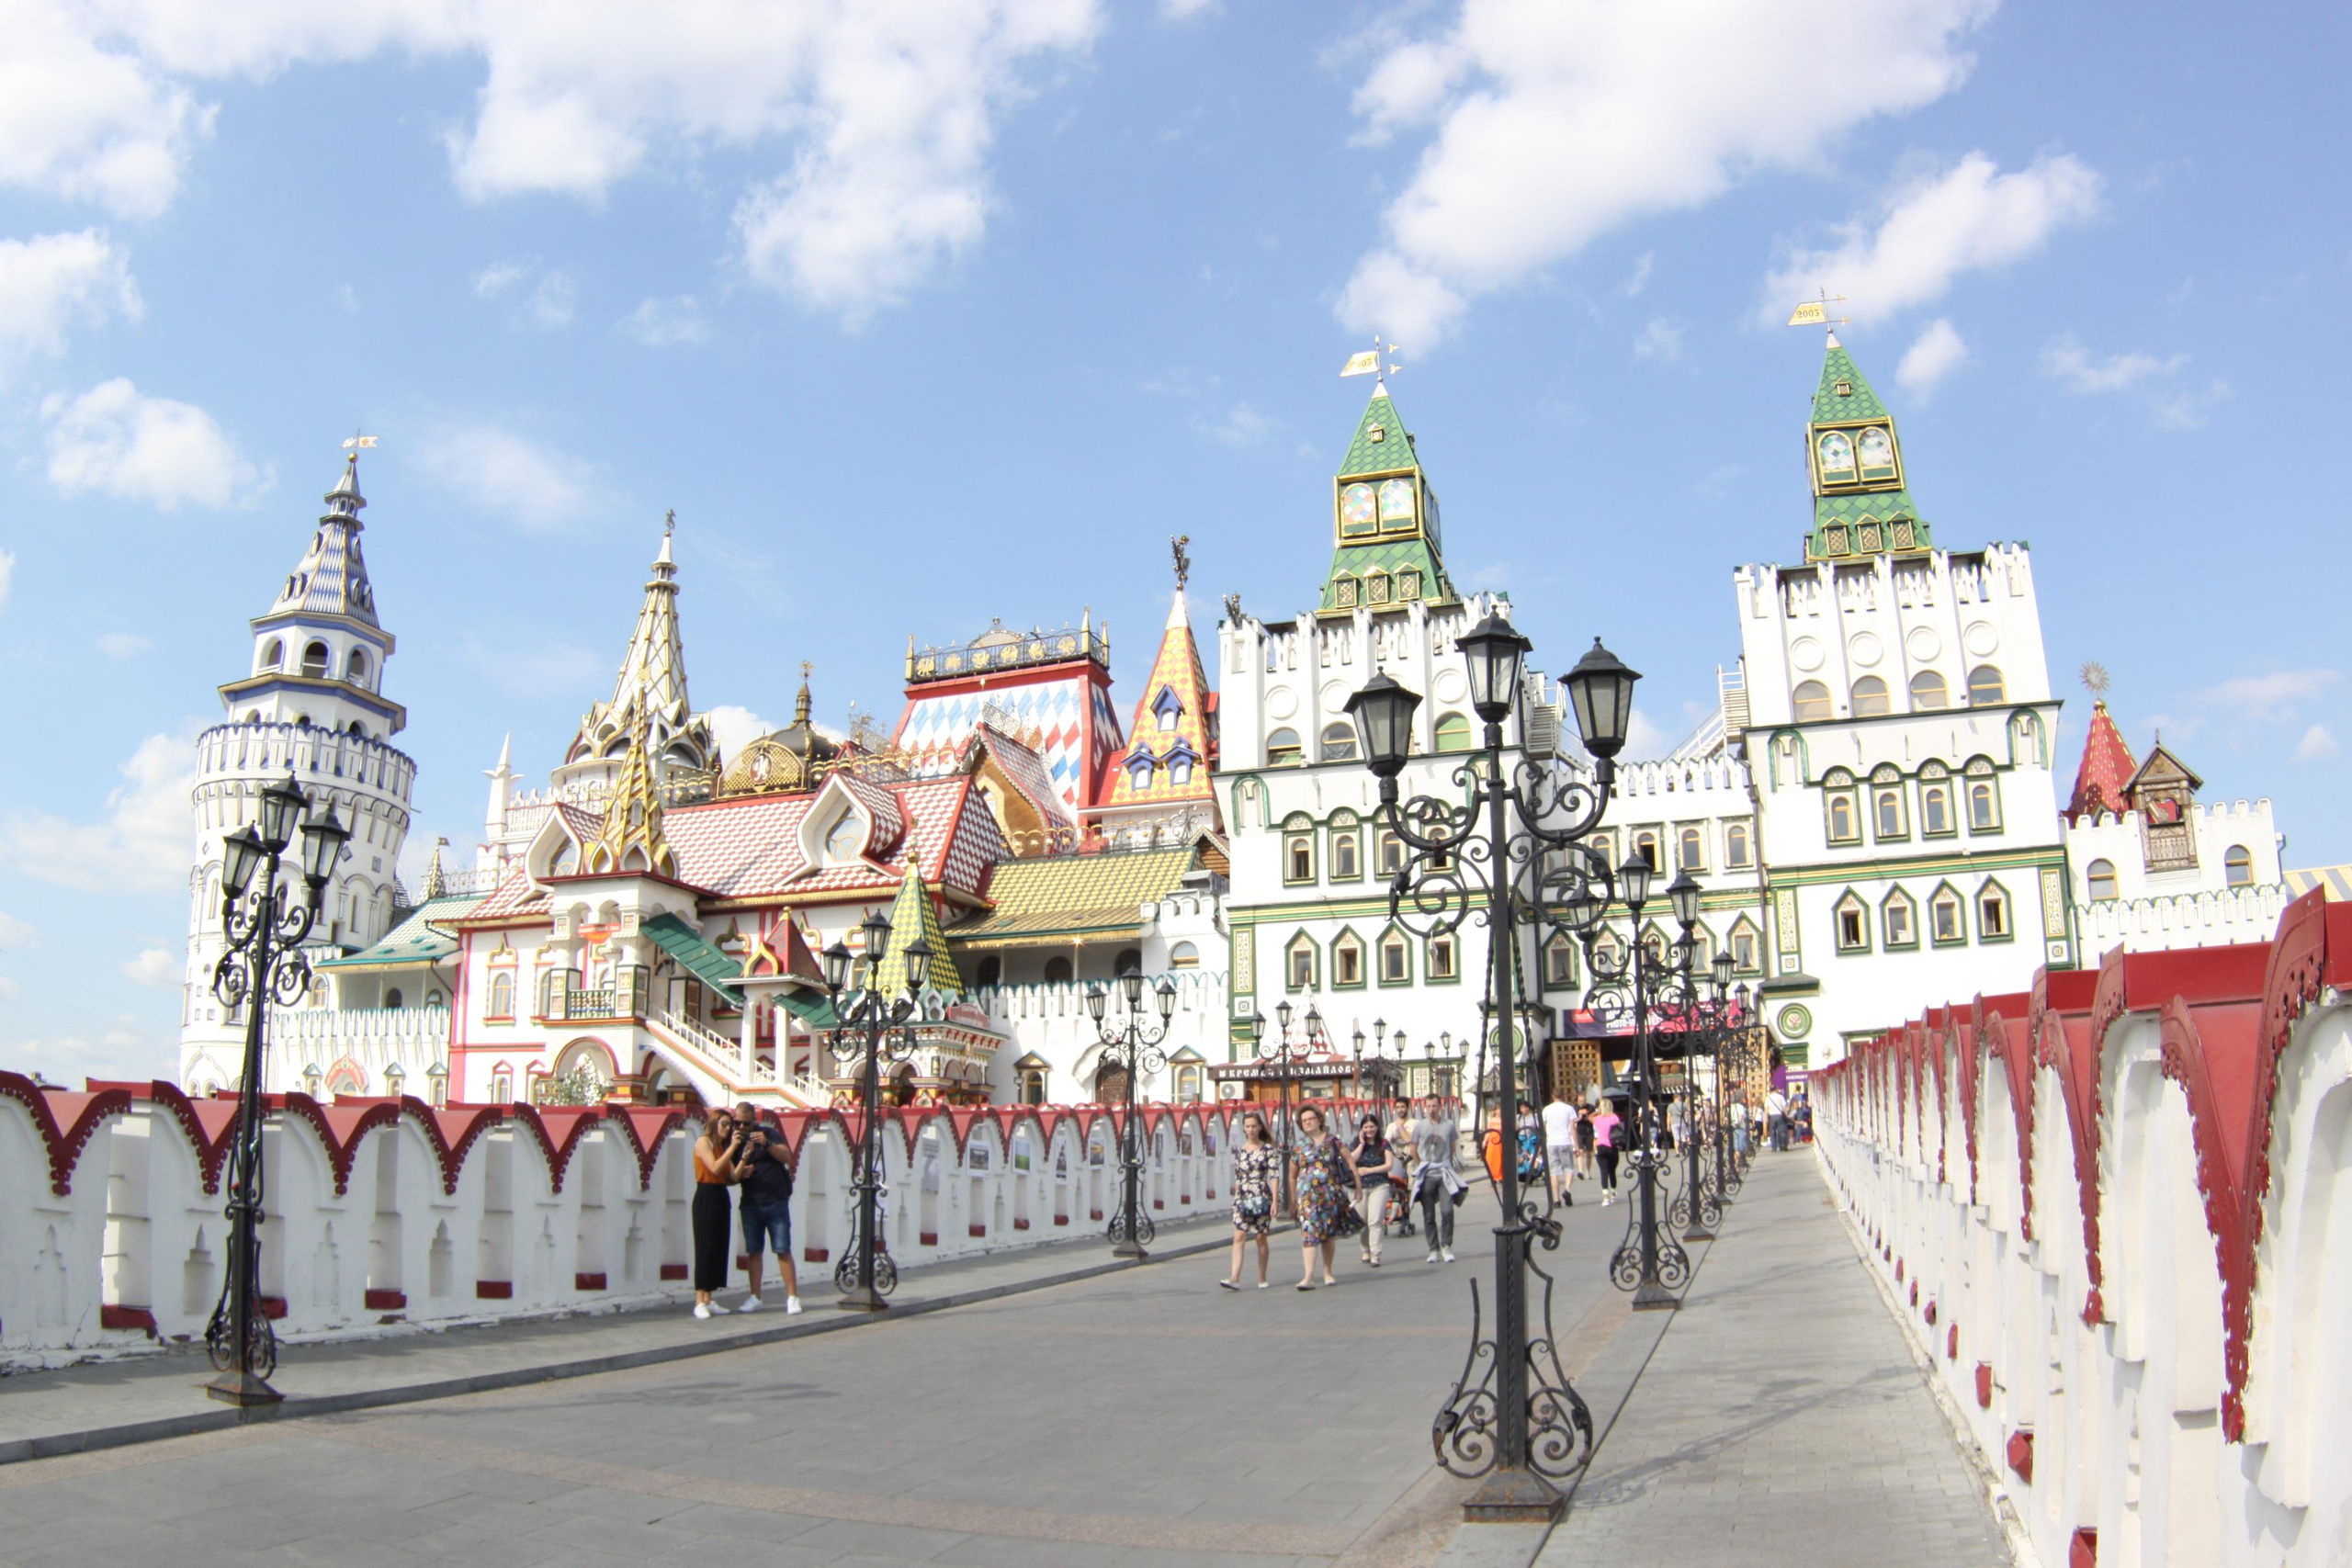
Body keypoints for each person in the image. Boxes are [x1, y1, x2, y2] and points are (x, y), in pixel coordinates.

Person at [731, 1102, 801, 1316]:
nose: (741, 1127)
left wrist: (766, 1143)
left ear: (754, 1121)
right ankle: (755, 1297)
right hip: (750, 1202)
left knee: (782, 1249)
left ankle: (792, 1297)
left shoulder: (768, 1133)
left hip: (775, 1200)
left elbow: (787, 1157)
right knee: (754, 1251)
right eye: (737, 1123)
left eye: (746, 1123)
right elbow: (730, 1173)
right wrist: (743, 1171)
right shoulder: (734, 1142)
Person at [691, 1108, 748, 1318]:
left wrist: (744, 1159)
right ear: (714, 1124)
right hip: (706, 1195)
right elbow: (714, 1168)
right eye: (724, 1124)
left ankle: (709, 1297)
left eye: (729, 1125)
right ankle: (699, 1300)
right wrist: (732, 1147)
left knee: (718, 1246)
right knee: (705, 1246)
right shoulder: (703, 1142)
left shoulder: (721, 1147)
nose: (727, 1128)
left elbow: (732, 1177)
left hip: (720, 1195)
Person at [1293, 1106, 1356, 1289]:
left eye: (1311, 1118)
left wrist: (1358, 1186)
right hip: (1307, 1196)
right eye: (1304, 1121)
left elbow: (1350, 1162)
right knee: (1309, 1234)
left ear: (1319, 1120)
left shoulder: (1333, 1140)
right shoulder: (1299, 1146)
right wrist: (1292, 1199)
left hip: (1329, 1194)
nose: (1308, 1122)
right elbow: (1292, 1174)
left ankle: (1328, 1272)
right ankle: (1308, 1277)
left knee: (1328, 1235)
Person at [1220, 1111, 1277, 1289]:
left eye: (1253, 1126)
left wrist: (1275, 1201)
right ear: (1244, 1129)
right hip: (1243, 1196)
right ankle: (1234, 1278)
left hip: (1261, 1195)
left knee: (1260, 1237)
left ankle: (1262, 1277)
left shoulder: (1268, 1150)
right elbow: (1238, 1175)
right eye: (1247, 1126)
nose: (1251, 1129)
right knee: (1239, 1236)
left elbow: (1274, 1176)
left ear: (1260, 1127)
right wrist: (1236, 1195)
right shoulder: (1241, 1150)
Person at [1411, 1100, 1463, 1262]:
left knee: (1447, 1211)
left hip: (1444, 1173)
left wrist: (1448, 1162)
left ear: (1440, 1107)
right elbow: (1413, 1148)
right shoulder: (1420, 1126)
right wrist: (1421, 1165)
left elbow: (1453, 1146)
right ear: (1425, 1107)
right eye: (1429, 1106)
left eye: (1434, 1106)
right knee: (1429, 1214)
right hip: (1427, 1175)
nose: (1432, 1109)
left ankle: (1446, 1246)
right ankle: (1433, 1249)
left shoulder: (1449, 1125)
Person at [1349, 1111, 1392, 1265]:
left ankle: (1376, 1254)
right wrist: (1361, 1144)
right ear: (1361, 1129)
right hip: (1360, 1187)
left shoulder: (1384, 1143)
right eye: (1366, 1127)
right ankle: (1365, 1250)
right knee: (1362, 1222)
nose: (1369, 1130)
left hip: (1379, 1184)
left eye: (1372, 1126)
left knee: (1375, 1221)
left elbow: (1389, 1165)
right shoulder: (1356, 1143)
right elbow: (1351, 1160)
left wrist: (1369, 1170)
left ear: (1377, 1127)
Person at [1541, 1091, 1577, 1206]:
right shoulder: (1569, 1109)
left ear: (1553, 1096)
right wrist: (1576, 1145)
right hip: (1565, 1141)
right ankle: (1567, 1190)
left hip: (1551, 1143)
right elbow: (1572, 1128)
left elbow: (1543, 1128)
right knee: (1569, 1168)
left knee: (1554, 1172)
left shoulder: (1546, 1109)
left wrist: (1542, 1143)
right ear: (1563, 1096)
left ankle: (1556, 1200)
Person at [1590, 1098, 1623, 1205]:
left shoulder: (1597, 1119)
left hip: (1601, 1146)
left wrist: (1597, 1112)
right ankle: (1613, 1193)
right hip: (1613, 1146)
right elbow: (1619, 1128)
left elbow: (1589, 1117)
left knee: (1603, 1172)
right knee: (1612, 1171)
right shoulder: (1614, 1117)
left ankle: (1605, 1197)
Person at [1575, 1102, 1597, 1181]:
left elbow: (1594, 1118)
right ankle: (1580, 1171)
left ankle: (1588, 1172)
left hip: (1589, 1132)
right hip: (1580, 1132)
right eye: (1580, 1101)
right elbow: (1573, 1120)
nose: (1582, 1103)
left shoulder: (1591, 1107)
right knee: (1580, 1151)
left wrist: (1588, 1117)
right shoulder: (1576, 1108)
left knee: (1589, 1152)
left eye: (1583, 1101)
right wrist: (1580, 1117)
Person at [1765, 1086, 1791, 1152]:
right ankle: (1783, 1146)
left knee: (1772, 1132)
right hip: (1780, 1115)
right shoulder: (1780, 1097)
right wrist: (1786, 1115)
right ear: (1776, 1089)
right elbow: (1784, 1107)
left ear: (1770, 1090)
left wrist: (1766, 1118)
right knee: (1782, 1131)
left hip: (1772, 1116)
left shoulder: (1768, 1098)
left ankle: (1774, 1147)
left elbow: (1766, 1109)